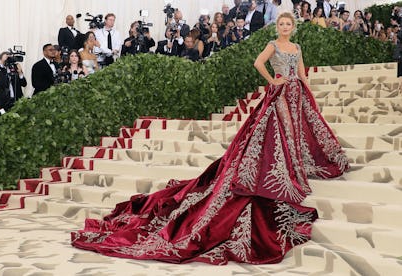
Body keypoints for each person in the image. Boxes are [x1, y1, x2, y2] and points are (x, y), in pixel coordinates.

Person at [71, 12, 349, 265]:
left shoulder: (297, 48)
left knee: (296, 133)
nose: (286, 27)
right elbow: (257, 63)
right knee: (277, 134)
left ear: (294, 27)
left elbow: (301, 72)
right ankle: (282, 170)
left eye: (289, 24)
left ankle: (293, 165)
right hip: (277, 95)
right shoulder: (272, 45)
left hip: (295, 94)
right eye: (282, 24)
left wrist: (304, 91)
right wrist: (273, 80)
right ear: (277, 27)